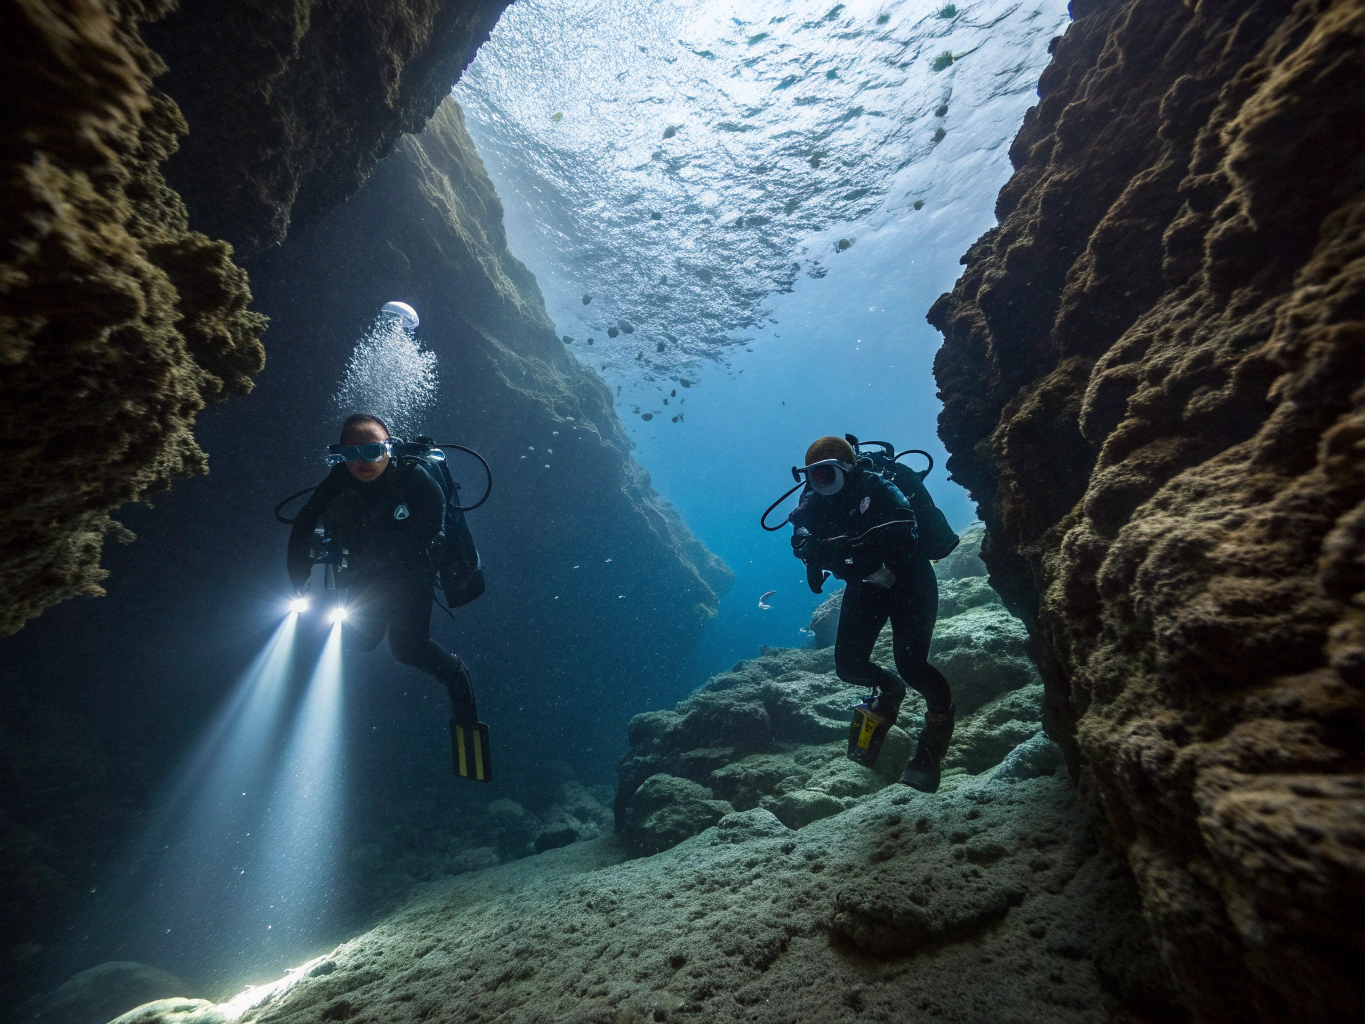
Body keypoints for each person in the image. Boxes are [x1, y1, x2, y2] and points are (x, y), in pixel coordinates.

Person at [286, 414, 483, 766]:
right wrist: (296, 570)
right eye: (352, 453)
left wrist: (376, 556)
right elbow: (305, 518)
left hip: (412, 574)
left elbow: (432, 521)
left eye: (374, 450)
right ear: (340, 455)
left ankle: (456, 676)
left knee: (407, 650)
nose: (363, 461)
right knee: (360, 640)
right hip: (368, 573)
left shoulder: (413, 476)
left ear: (388, 449)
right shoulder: (338, 477)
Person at [789, 435, 954, 792]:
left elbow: (902, 530)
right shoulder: (812, 498)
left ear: (849, 467)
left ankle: (934, 741)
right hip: (866, 585)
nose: (822, 480)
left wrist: (843, 550)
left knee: (913, 665)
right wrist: (812, 554)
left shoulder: (876, 485)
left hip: (909, 578)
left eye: (829, 472)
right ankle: (889, 689)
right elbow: (800, 534)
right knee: (849, 665)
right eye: (814, 475)